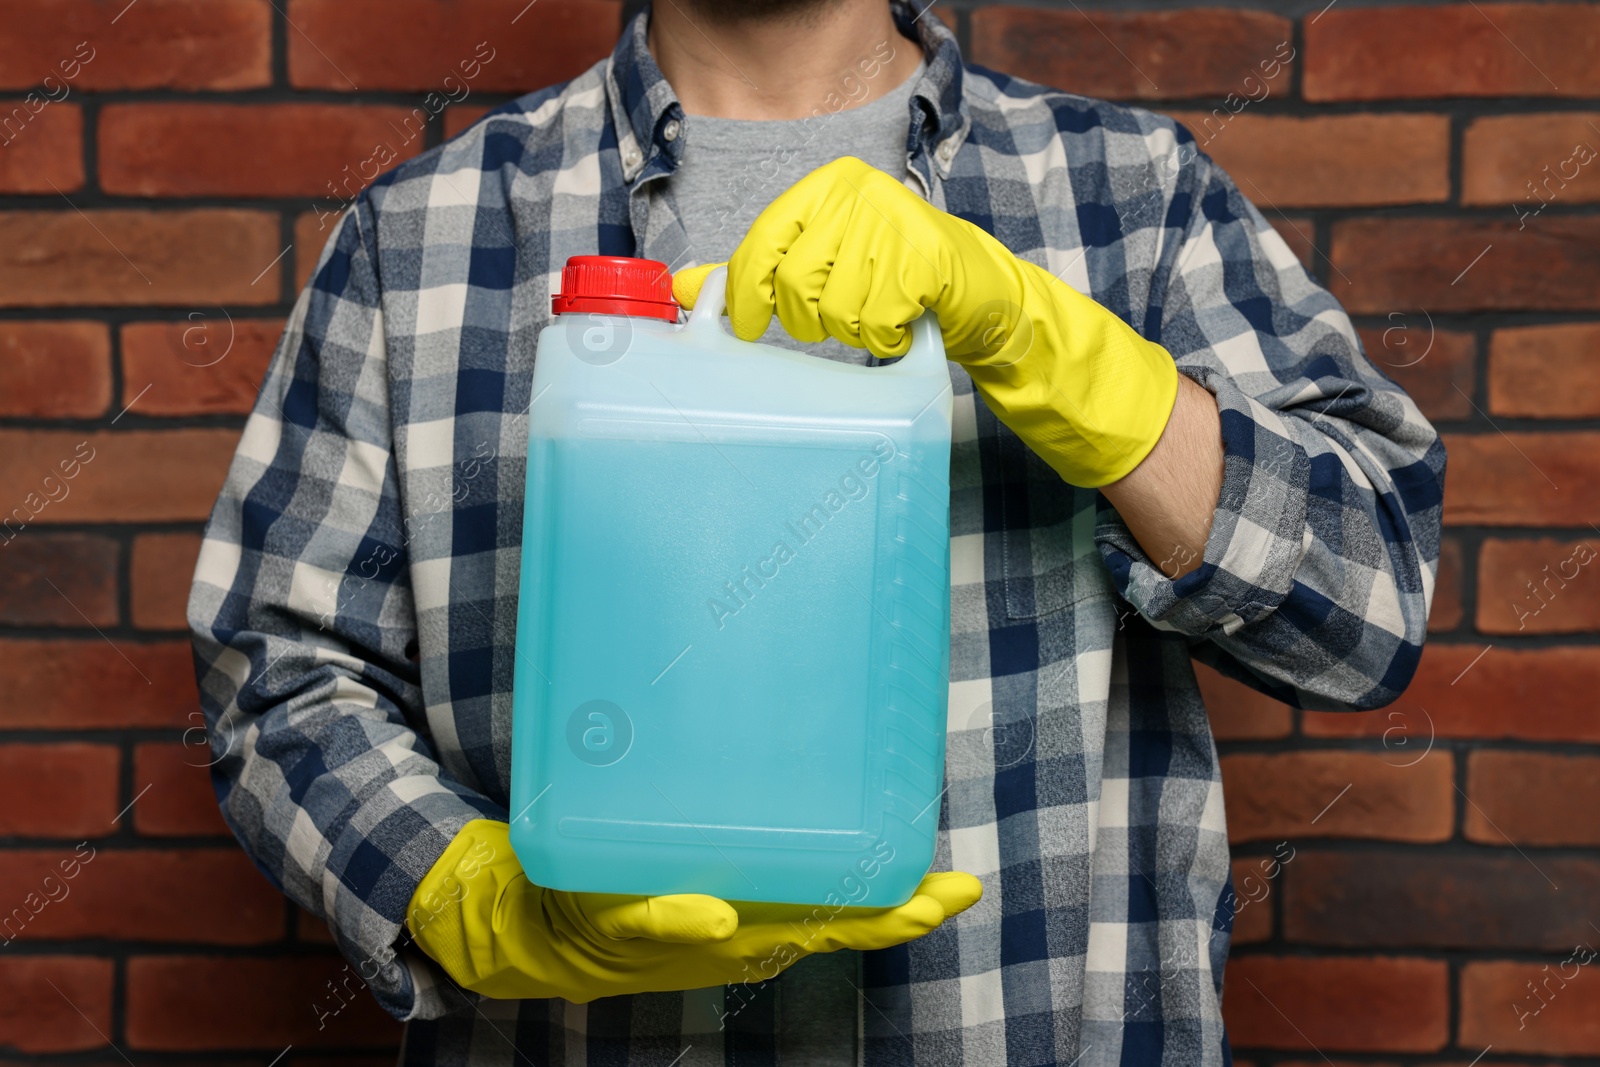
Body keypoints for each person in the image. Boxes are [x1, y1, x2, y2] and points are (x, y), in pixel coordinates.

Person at [187, 0, 1446, 1062]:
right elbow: (281, 675)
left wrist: (1067, 359)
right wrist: (461, 894)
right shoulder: (419, 242)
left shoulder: (1134, 199)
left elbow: (1365, 613)